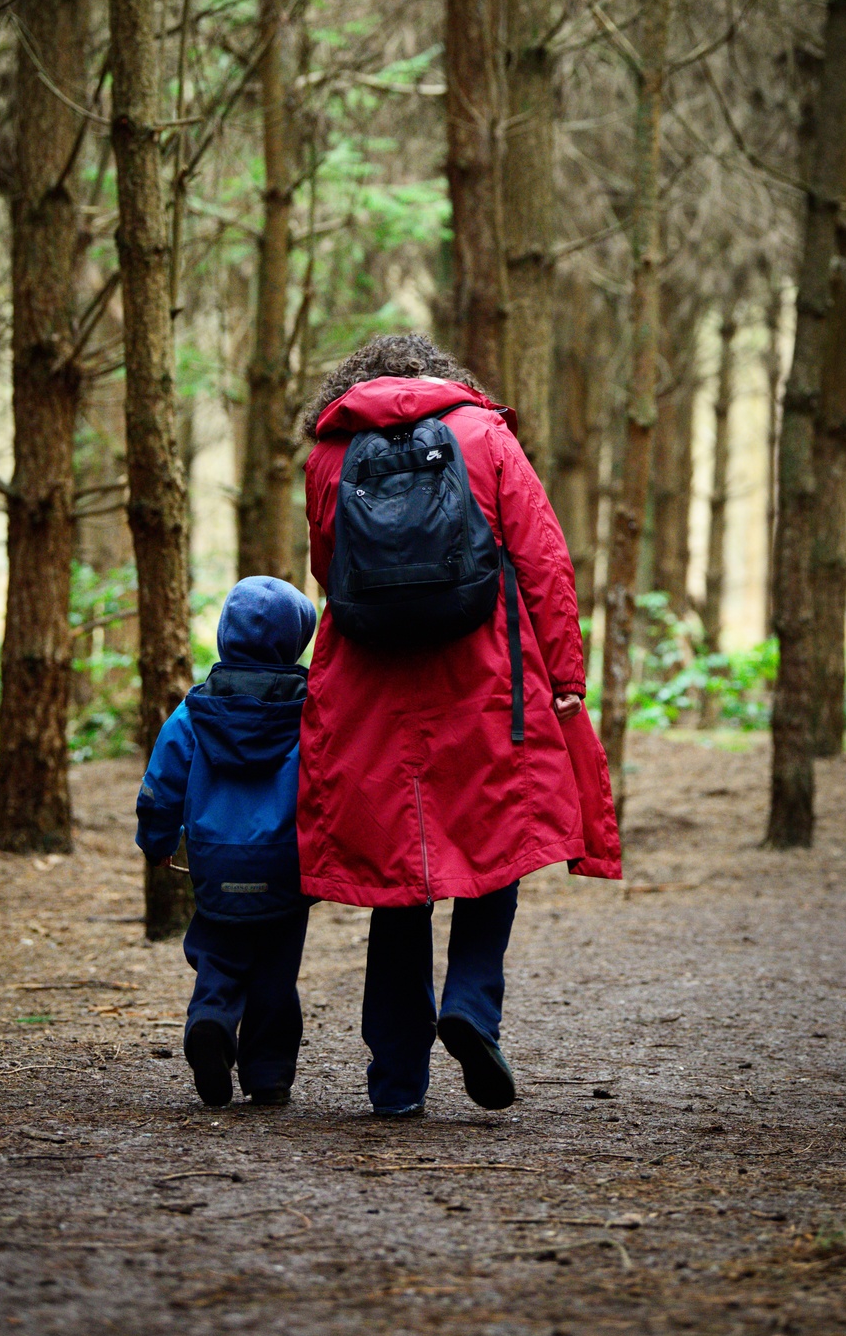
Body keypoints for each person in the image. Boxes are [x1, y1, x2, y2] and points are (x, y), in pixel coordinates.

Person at [298, 333, 622, 1119]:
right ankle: (472, 1007)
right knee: (496, 845)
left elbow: (327, 566)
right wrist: (566, 680)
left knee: (398, 879)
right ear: (440, 374)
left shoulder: (330, 454)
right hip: (484, 678)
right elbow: (545, 562)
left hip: (372, 686)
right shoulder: (485, 435)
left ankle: (395, 1081)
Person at [136, 575, 317, 1109]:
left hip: (215, 861)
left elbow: (161, 785)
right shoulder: (310, 710)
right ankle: (269, 1075)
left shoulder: (195, 711)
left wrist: (157, 842)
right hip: (286, 862)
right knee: (276, 970)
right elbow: (332, 783)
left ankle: (212, 1021)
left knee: (219, 951)